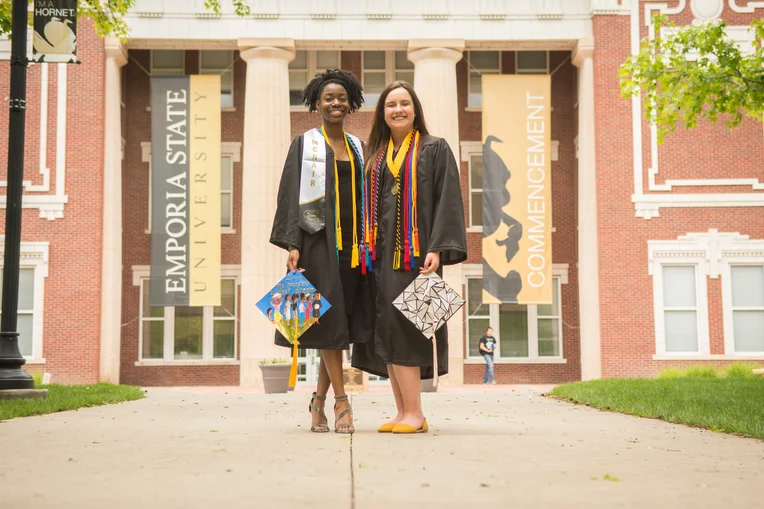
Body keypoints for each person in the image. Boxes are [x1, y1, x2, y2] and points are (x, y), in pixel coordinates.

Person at [352, 81, 467, 434]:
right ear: (382, 113)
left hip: (415, 257)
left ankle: (415, 413)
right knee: (384, 328)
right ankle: (403, 412)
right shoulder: (375, 155)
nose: (397, 109)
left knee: (406, 328)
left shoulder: (434, 149)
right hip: (379, 257)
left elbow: (448, 200)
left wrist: (436, 248)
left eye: (404, 103)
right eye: (390, 105)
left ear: (415, 109)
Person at [270, 69, 371, 434]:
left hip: (355, 249)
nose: (335, 103)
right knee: (329, 323)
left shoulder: (359, 147)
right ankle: (342, 402)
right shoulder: (305, 143)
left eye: (342, 98)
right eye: (328, 98)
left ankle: (318, 401)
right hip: (317, 242)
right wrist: (292, 243)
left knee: (340, 325)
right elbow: (289, 191)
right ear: (316, 103)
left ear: (352, 103)